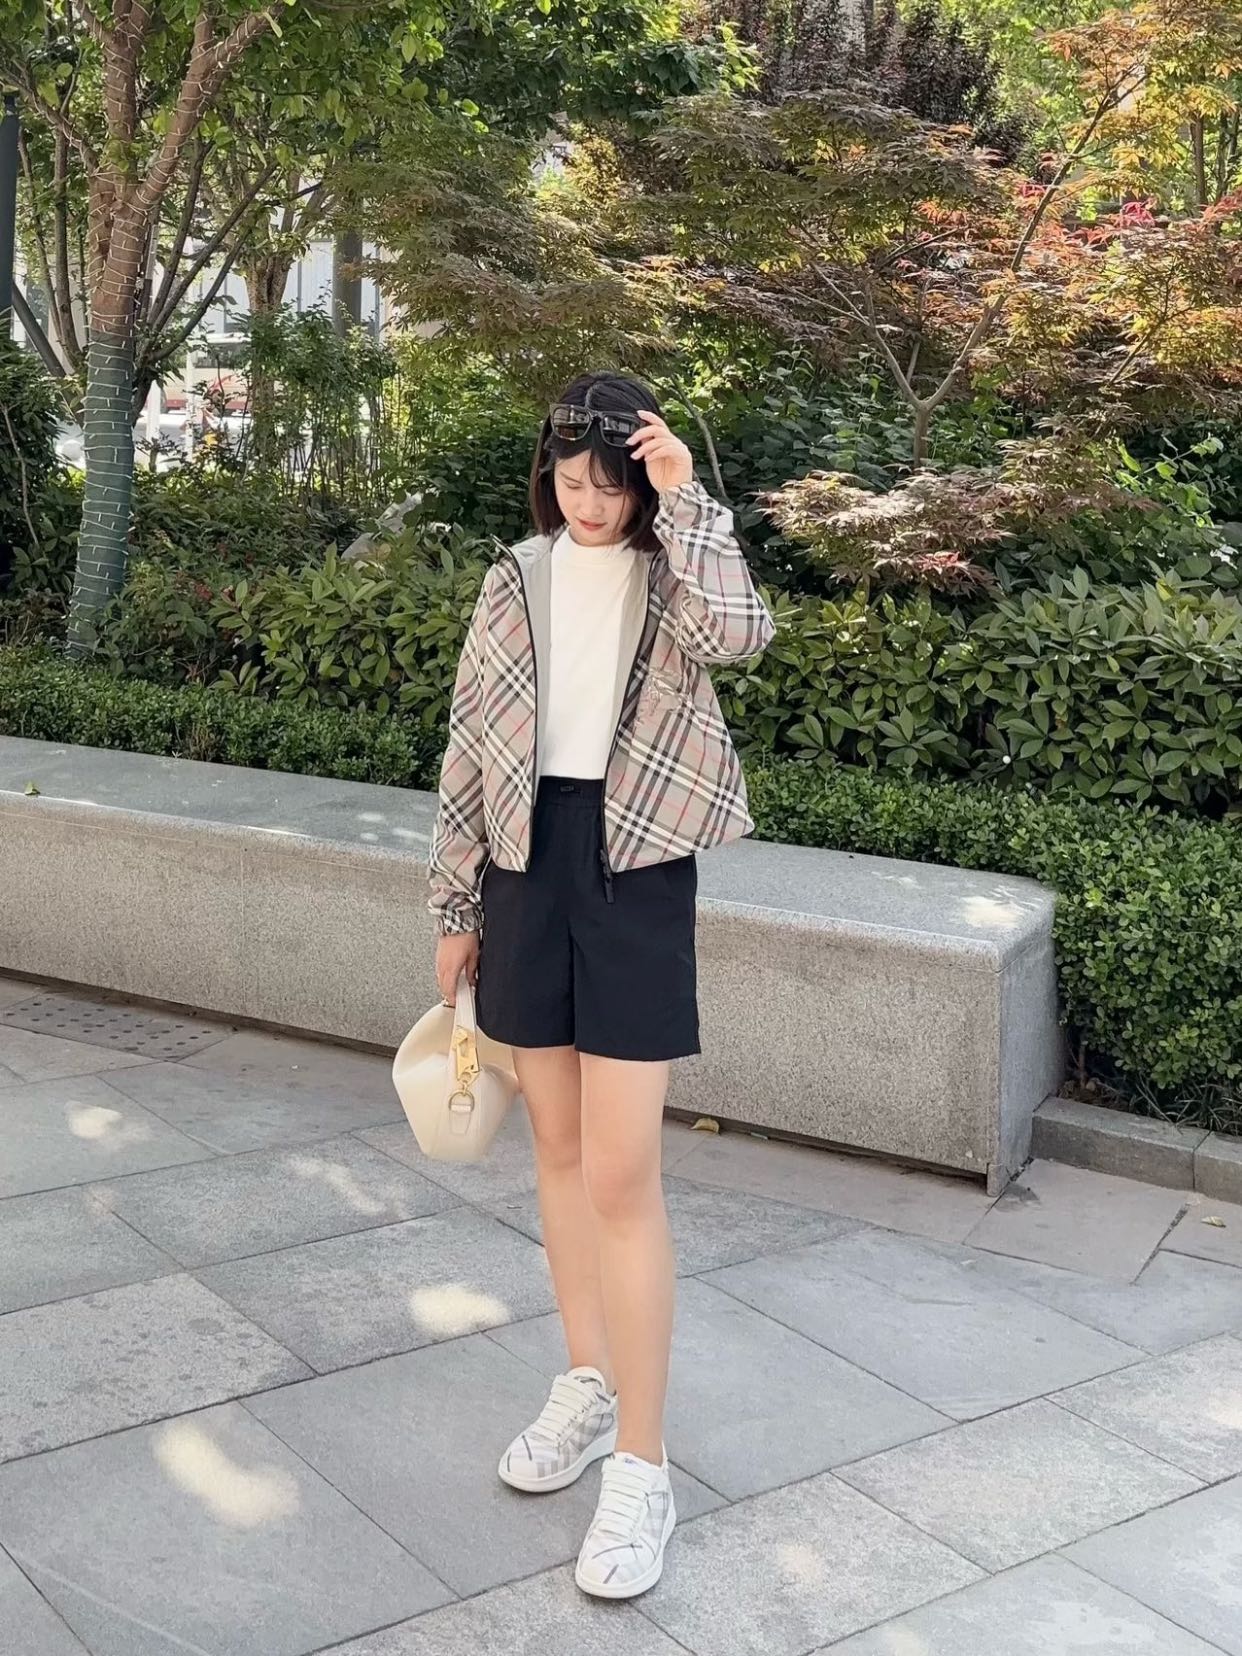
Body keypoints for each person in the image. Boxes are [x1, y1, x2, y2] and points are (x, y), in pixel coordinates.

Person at [427, 371, 774, 1599]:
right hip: (524, 869)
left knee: (623, 1175)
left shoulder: (676, 570)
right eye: (571, 482)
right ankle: (585, 1381)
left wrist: (689, 500)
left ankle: (643, 1460)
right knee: (560, 1155)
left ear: (641, 484)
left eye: (611, 487)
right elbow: (469, 739)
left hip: (638, 871)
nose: (588, 504)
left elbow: (743, 638)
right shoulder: (513, 578)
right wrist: (455, 909)